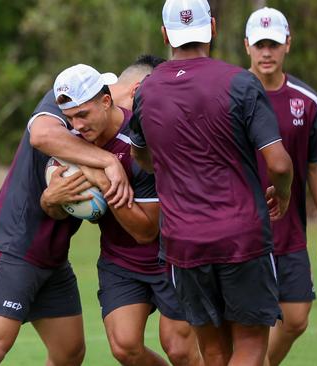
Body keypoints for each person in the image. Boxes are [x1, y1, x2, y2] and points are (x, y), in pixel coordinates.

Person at [129, 0, 294, 365]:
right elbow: (280, 164)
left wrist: (172, 166)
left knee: (214, 351)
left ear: (166, 34)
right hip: (242, 238)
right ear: (214, 29)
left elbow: (141, 157)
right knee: (251, 346)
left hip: (183, 243)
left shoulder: (146, 90)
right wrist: (281, 195)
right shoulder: (241, 82)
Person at [0, 70, 135, 364]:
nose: (76, 122)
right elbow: (39, 134)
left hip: (52, 257)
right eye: (73, 116)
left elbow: (65, 207)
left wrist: (57, 198)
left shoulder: (104, 135)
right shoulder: (60, 104)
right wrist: (106, 165)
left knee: (69, 352)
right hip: (12, 247)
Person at [40, 60, 203, 366]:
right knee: (124, 347)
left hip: (169, 259)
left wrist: (102, 182)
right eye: (70, 118)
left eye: (83, 115)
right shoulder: (74, 144)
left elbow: (146, 232)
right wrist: (51, 200)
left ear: (105, 101)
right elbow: (61, 210)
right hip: (120, 261)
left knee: (180, 350)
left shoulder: (140, 141)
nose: (76, 126)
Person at [242, 7, 317, 366]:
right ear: (246, 47)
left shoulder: (307, 101)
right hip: (242, 233)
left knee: (296, 317)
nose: (266, 52)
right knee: (248, 325)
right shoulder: (231, 97)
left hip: (290, 232)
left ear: (287, 44)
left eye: (273, 44)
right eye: (259, 44)